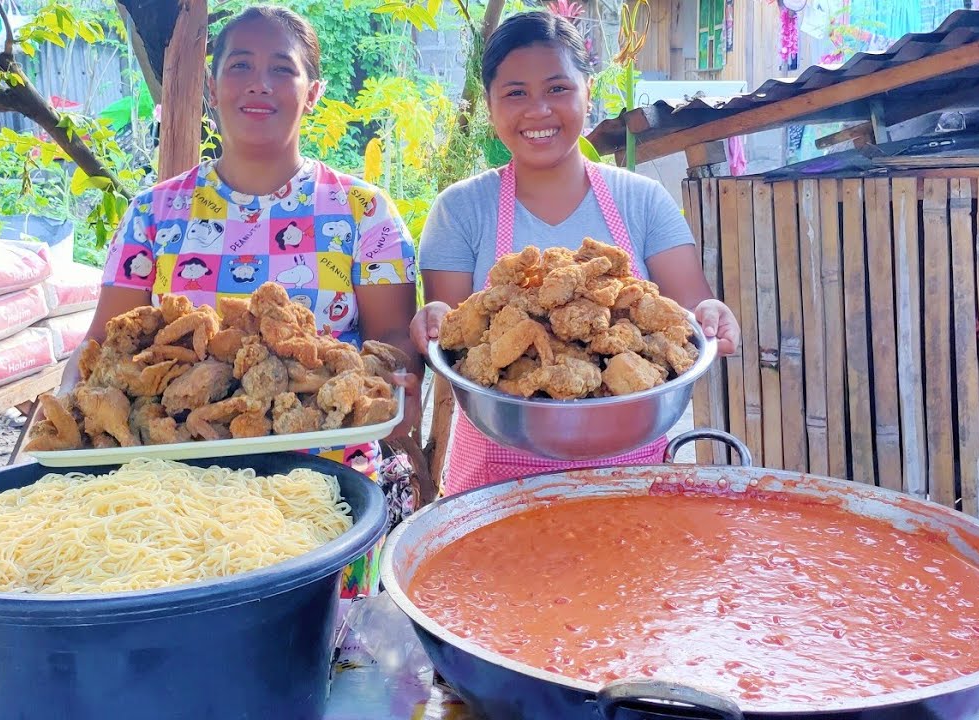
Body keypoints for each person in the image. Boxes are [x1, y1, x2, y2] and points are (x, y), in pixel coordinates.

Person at [78, 5, 420, 597]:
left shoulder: (364, 212)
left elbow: (391, 345)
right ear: (212, 88)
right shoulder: (154, 214)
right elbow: (104, 347)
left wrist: (397, 391)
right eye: (240, 65)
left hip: (331, 485)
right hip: (175, 488)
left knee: (327, 661)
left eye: (280, 70)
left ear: (311, 93)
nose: (259, 82)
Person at [410, 11, 740, 496]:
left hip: (629, 472)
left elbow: (689, 317)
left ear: (588, 89)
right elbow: (457, 337)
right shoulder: (460, 209)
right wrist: (435, 319)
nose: (538, 110)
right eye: (516, 92)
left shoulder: (643, 199)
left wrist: (711, 315)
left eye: (558, 88)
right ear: (490, 104)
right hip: (492, 480)